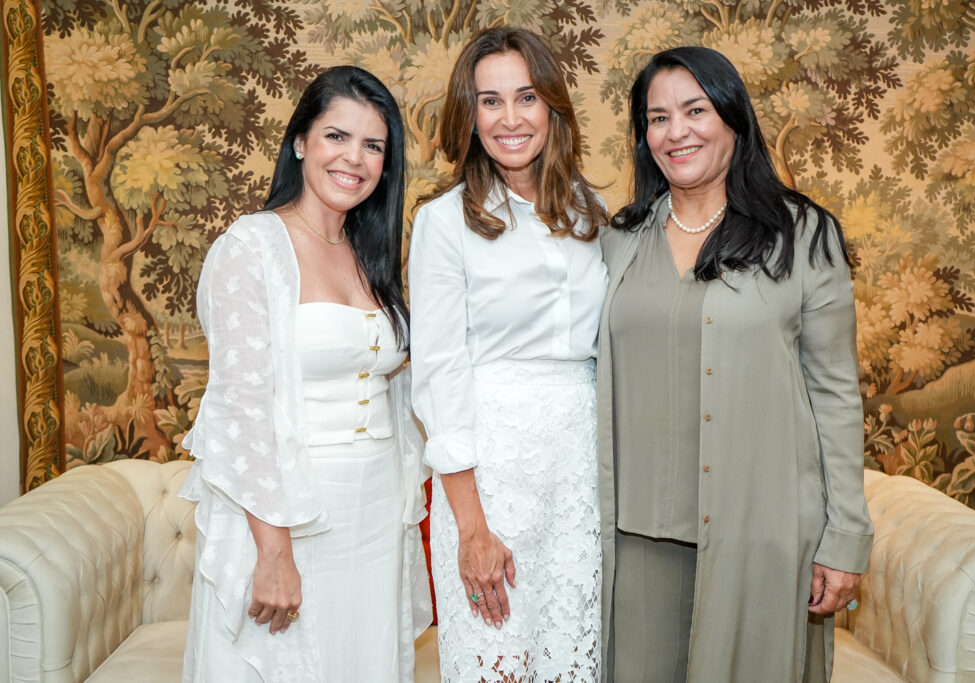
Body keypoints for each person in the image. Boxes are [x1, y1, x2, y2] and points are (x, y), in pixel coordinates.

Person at [597, 46, 874, 682]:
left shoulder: (803, 235)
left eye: (695, 110)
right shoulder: (616, 239)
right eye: (657, 117)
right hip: (637, 538)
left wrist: (844, 537)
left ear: (733, 119)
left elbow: (835, 395)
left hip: (764, 531)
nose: (676, 131)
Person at [179, 65, 431, 683]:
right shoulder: (250, 248)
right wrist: (273, 552)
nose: (355, 158)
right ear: (300, 142)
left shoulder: (372, 254)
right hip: (291, 515)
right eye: (336, 137)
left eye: (374, 145)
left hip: (374, 519)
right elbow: (242, 413)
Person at [408, 26, 609, 682]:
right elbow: (437, 375)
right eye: (489, 101)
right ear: (469, 116)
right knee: (498, 662)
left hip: (581, 477)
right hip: (491, 483)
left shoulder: (592, 211)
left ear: (553, 107)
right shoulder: (443, 222)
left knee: (574, 658)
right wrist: (470, 527)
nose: (510, 117)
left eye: (526, 97)